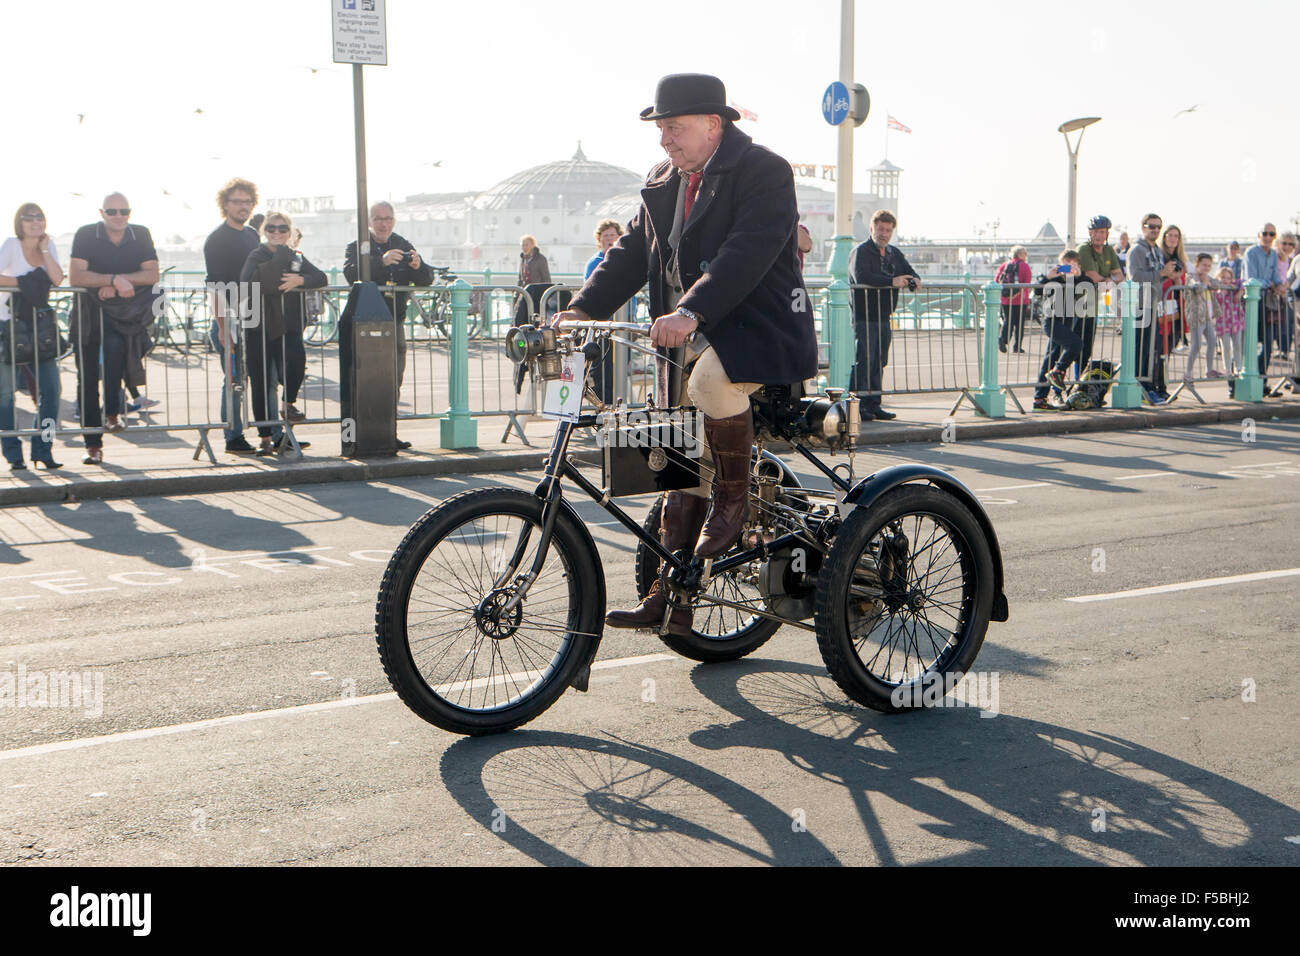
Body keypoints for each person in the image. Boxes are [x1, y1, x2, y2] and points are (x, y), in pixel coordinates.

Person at [552, 72, 817, 637]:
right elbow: (630, 254)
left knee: (707, 389)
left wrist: (692, 311)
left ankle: (734, 498)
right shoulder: (665, 179)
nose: (664, 139)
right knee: (676, 450)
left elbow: (744, 254)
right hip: (686, 335)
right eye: (661, 128)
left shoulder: (763, 171)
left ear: (713, 125)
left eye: (674, 127)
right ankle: (670, 596)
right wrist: (580, 309)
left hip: (756, 330)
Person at [67, 194, 160, 465]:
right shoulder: (86, 234)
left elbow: (152, 274)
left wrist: (118, 282)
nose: (118, 215)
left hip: (123, 315)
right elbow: (76, 275)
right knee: (87, 379)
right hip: (88, 315)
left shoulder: (140, 234)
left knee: (116, 356)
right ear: (102, 212)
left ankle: (112, 412)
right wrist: (110, 279)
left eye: (124, 211)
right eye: (112, 211)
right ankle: (92, 444)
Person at [343, 201, 433, 449]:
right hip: (364, 325)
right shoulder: (358, 246)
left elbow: (426, 279)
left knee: (393, 379)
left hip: (395, 322)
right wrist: (380, 262)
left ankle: (388, 432)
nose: (384, 224)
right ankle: (361, 436)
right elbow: (351, 274)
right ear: (369, 222)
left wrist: (418, 266)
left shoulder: (403, 244)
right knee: (364, 379)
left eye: (388, 219)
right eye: (378, 219)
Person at [239, 212, 326, 456]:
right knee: (261, 381)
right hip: (259, 327)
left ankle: (288, 405)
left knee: (297, 360)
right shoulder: (257, 255)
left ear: (291, 232)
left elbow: (321, 277)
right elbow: (247, 282)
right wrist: (280, 264)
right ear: (264, 231)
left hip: (289, 325)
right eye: (272, 228)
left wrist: (301, 279)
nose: (277, 233)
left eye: (283, 229)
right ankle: (265, 437)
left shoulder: (296, 257)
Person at [0, 204, 64, 470]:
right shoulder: (11, 245)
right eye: (28, 218)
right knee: (5, 395)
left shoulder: (50, 246)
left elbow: (58, 278)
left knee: (51, 391)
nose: (35, 222)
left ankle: (44, 448)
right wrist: (29, 282)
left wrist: (46, 250)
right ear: (20, 222)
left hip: (41, 330)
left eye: (39, 217)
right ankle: (13, 453)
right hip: (8, 327)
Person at [204, 177, 260, 454]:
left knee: (250, 378)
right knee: (234, 380)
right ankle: (233, 437)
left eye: (247, 202)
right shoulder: (217, 240)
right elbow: (214, 285)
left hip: (252, 317)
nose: (243, 206)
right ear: (225, 204)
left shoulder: (252, 234)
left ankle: (269, 431)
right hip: (229, 320)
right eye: (237, 201)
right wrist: (223, 327)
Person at [848, 209, 921, 421]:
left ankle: (874, 404)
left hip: (883, 315)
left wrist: (914, 280)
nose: (884, 233)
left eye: (888, 230)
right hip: (864, 315)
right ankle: (858, 406)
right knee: (864, 359)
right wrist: (891, 281)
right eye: (880, 229)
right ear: (872, 228)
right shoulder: (860, 252)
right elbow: (861, 275)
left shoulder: (894, 253)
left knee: (879, 360)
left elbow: (910, 272)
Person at [1031, 250, 1087, 410]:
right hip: (1052, 321)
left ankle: (1039, 398)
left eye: (1072, 265)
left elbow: (1089, 285)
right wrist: (1047, 277)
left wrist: (1079, 275)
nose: (1067, 269)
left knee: (1050, 357)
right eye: (1065, 265)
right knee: (1076, 344)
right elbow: (1037, 291)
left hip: (1067, 321)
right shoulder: (1054, 279)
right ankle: (1058, 371)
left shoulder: (1077, 280)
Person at [1128, 212, 1174, 405]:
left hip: (1154, 304)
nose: (1155, 230)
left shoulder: (1157, 251)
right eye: (1151, 226)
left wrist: (1167, 274)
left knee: (1152, 349)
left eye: (1158, 227)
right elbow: (1136, 276)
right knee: (1142, 349)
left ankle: (1150, 386)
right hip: (1141, 304)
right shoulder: (1137, 250)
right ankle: (1141, 387)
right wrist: (1160, 273)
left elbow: (1156, 276)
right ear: (1143, 227)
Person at [583, 219, 626, 404]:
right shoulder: (595, 263)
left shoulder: (626, 261)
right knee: (603, 373)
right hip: (602, 326)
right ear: (599, 239)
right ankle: (604, 409)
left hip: (622, 325)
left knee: (621, 370)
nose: (609, 239)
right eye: (605, 235)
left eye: (613, 235)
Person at [1076, 214, 1124, 373]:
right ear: (1090, 233)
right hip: (1074, 305)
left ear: (1107, 234)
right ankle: (1053, 389)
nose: (1098, 235)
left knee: (1086, 349)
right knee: (1070, 349)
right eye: (1094, 231)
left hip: (1092, 307)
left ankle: (1078, 385)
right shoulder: (1084, 249)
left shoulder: (1109, 250)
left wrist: (1109, 280)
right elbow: (1092, 276)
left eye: (1102, 232)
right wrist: (1109, 280)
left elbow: (1120, 275)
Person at [1243, 223, 1285, 392]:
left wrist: (1279, 285)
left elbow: (1275, 275)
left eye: (1272, 234)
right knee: (1249, 343)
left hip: (1267, 302)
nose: (1268, 237)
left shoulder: (1273, 254)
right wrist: (1271, 284)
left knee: (1267, 342)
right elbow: (1250, 278)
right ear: (1259, 234)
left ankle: (1262, 379)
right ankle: (1239, 381)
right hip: (1252, 302)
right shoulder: (1251, 252)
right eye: (1265, 233)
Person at [1182, 253, 1223, 381]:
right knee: (1196, 345)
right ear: (1196, 264)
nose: (1206, 268)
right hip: (1196, 316)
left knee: (1212, 342)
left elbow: (1217, 284)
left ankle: (1209, 369)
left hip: (1207, 316)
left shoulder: (1207, 277)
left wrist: (1208, 281)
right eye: (1204, 265)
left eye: (1209, 266)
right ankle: (1188, 373)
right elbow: (1196, 288)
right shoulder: (1190, 277)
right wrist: (1205, 283)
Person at [1158, 223, 1187, 388]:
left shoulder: (1181, 260)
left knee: (1169, 348)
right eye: (1170, 235)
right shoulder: (1159, 256)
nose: (1173, 239)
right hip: (1163, 304)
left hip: (1177, 307)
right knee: (1160, 349)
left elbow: (1182, 281)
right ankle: (1158, 385)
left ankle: (1162, 385)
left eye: (1176, 236)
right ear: (1164, 237)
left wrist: (1178, 281)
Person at [996, 245, 1032, 353]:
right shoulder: (1025, 266)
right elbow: (1027, 282)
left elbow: (997, 279)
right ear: (1021, 254)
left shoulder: (1004, 265)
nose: (1026, 256)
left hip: (1006, 299)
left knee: (1008, 320)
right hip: (1021, 299)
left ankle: (1003, 339)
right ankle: (1017, 346)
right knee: (1019, 323)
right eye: (1025, 254)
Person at [514, 235, 552, 326]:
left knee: (536, 317)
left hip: (537, 293)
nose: (524, 247)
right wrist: (517, 293)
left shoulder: (540, 259)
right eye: (522, 245)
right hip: (525, 292)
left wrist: (545, 294)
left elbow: (546, 277)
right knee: (521, 317)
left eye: (526, 245)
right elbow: (520, 278)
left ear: (532, 245)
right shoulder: (523, 259)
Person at [1214, 266, 1244, 379]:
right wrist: (1222, 290)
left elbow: (1243, 282)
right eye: (1222, 277)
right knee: (1225, 347)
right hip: (1223, 323)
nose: (1225, 280)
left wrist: (1239, 291)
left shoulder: (1234, 288)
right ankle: (1227, 368)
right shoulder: (1217, 291)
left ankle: (1238, 367)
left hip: (1236, 321)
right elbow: (1217, 301)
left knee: (1237, 345)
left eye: (1228, 278)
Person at [1275, 231, 1296, 359]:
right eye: (1284, 243)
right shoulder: (1273, 257)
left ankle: (1284, 350)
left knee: (1287, 322)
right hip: (1274, 293)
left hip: (1288, 295)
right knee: (1275, 323)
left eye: (1290, 244)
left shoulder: (1293, 260)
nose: (1287, 247)